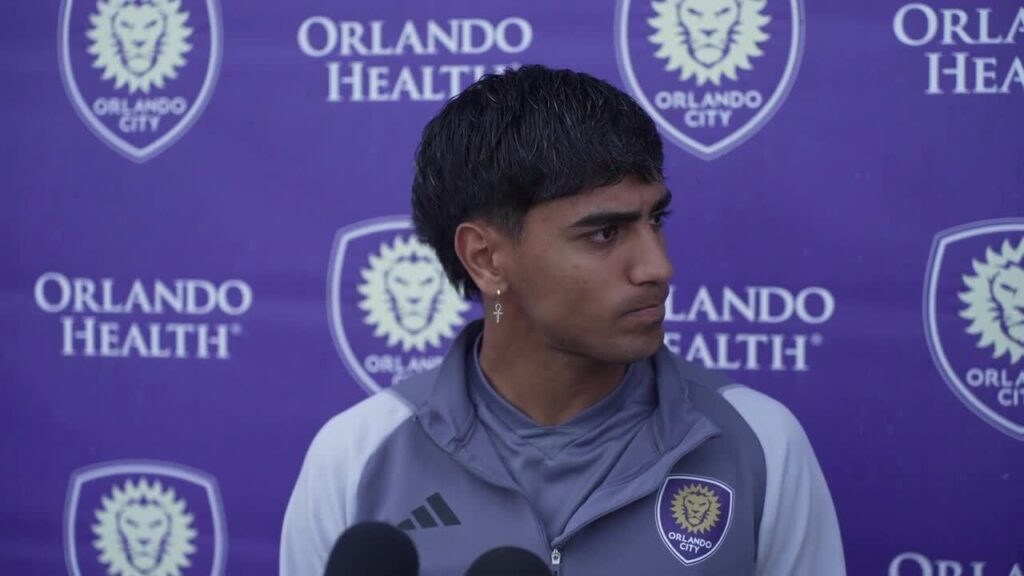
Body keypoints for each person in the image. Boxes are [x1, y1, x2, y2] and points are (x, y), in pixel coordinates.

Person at [280, 65, 845, 575]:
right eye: (604, 233)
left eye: (656, 220)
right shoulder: (356, 456)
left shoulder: (761, 443)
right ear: (486, 258)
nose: (659, 267)